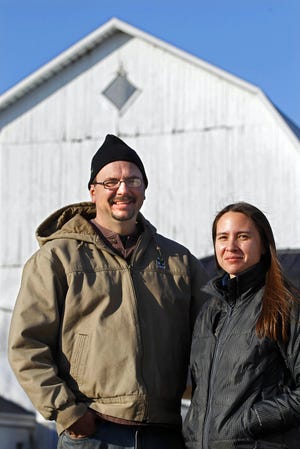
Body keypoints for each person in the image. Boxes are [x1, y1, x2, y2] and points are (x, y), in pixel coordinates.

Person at [8, 134, 208, 449]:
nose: (123, 190)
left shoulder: (178, 261)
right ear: (92, 191)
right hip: (93, 432)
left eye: (133, 181)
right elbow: (27, 345)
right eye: (110, 182)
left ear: (144, 189)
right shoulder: (57, 258)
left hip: (164, 433)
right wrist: (67, 412)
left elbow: (215, 337)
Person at [183, 201, 300, 449]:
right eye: (222, 237)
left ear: (264, 246)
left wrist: (250, 419)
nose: (231, 246)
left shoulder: (284, 305)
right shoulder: (209, 312)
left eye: (243, 236)